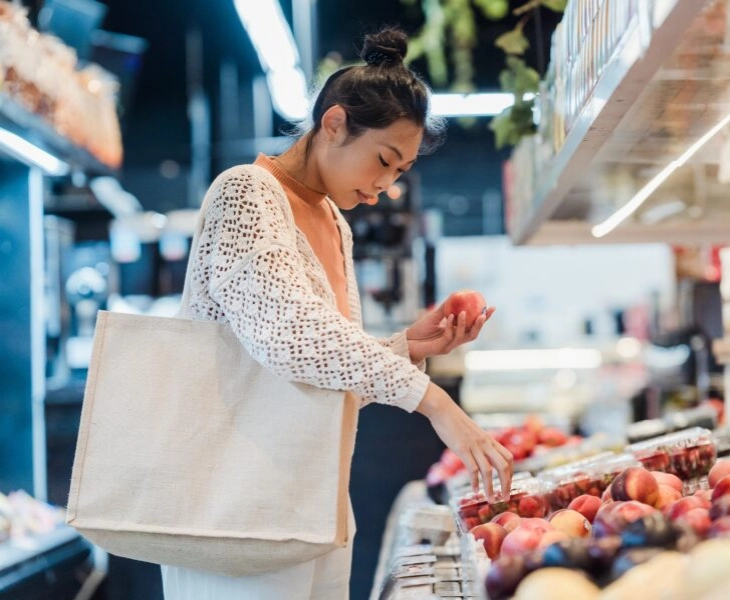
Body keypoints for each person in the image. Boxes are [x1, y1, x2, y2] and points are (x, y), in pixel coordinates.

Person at [162, 25, 513, 600]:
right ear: (334, 124)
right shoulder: (245, 193)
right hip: (235, 516)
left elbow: (318, 372)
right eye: (383, 160)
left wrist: (407, 347)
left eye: (399, 172)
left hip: (317, 509)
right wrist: (435, 403)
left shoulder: (334, 222)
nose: (383, 186)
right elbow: (288, 335)